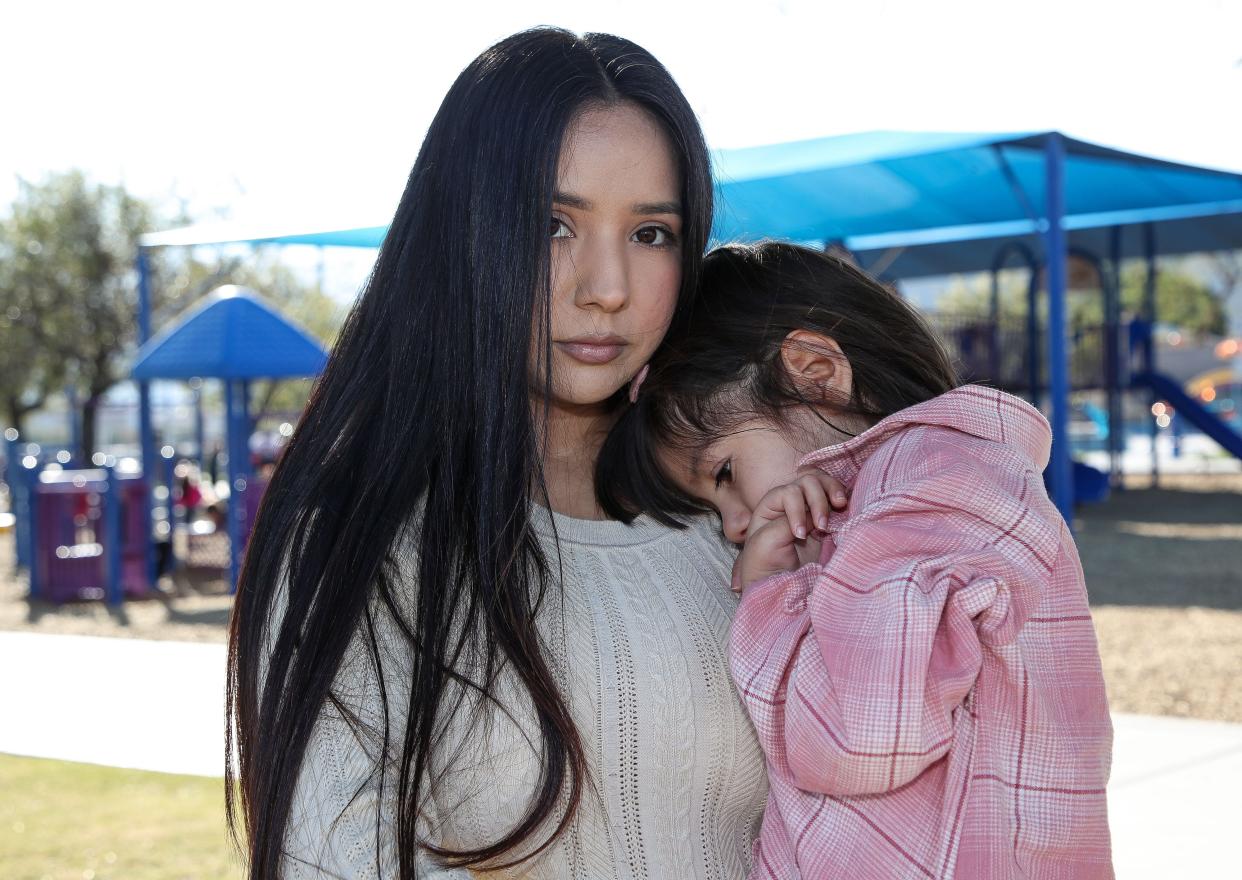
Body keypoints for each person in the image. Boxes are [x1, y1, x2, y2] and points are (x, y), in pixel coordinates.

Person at [226, 29, 767, 880]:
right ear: (463, 233)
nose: (608, 286)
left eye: (652, 233)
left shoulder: (739, 521)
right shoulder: (366, 547)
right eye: (554, 224)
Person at [602, 242, 1114, 878]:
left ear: (816, 372)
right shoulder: (918, 491)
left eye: (727, 472)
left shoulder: (930, 482)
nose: (734, 524)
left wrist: (770, 596)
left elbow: (861, 734)